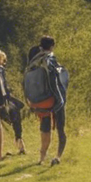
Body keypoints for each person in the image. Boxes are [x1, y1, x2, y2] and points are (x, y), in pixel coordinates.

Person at [29, 35, 67, 166]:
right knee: (61, 129)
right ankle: (57, 157)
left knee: (45, 129)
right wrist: (60, 100)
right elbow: (56, 81)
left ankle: (41, 158)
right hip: (55, 99)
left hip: (40, 101)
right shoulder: (50, 59)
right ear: (52, 46)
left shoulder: (35, 60)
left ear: (41, 46)